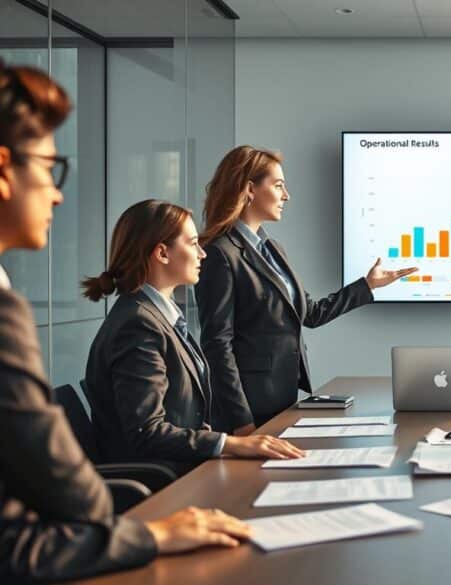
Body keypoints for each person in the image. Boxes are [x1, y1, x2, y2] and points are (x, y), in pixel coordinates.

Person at [0, 59, 249, 582]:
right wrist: (142, 531)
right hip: (144, 495)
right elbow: (136, 438)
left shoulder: (159, 317)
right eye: (50, 167)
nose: (57, 191)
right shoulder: (137, 322)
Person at [195, 146, 416, 433]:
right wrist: (241, 420)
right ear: (250, 189)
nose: (286, 196)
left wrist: (368, 285)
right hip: (248, 408)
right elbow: (217, 344)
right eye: (278, 186)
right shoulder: (220, 253)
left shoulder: (272, 248)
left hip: (281, 396)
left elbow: (310, 313)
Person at [82, 200, 305, 474]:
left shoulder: (156, 315)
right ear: (162, 253)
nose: (203, 254)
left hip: (187, 469)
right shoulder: (138, 325)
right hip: (165, 482)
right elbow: (148, 431)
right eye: (192, 243)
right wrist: (230, 444)